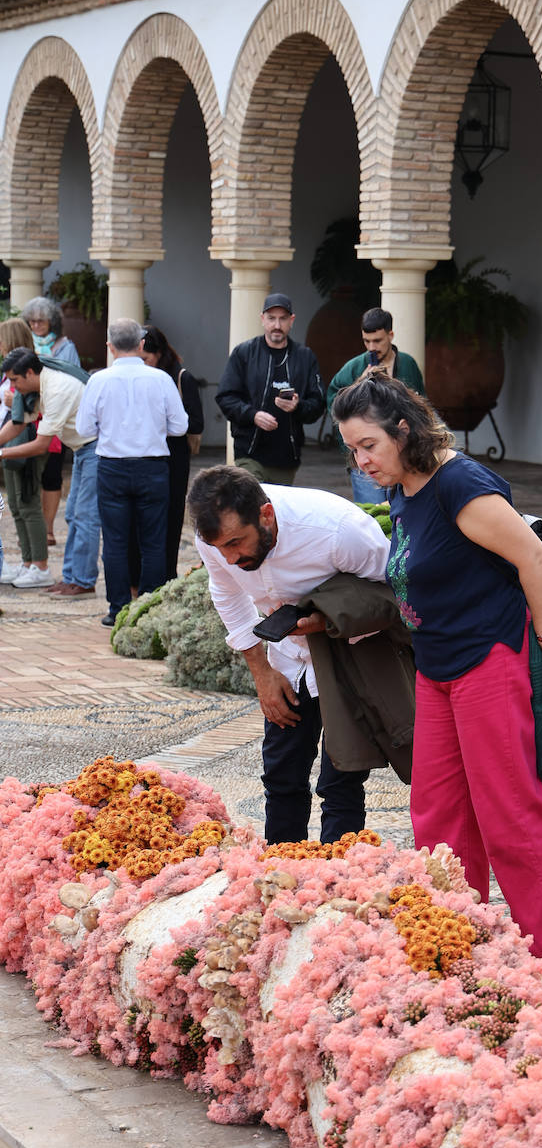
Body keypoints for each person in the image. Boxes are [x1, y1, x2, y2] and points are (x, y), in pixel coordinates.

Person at [332, 373, 542, 1001]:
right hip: (438, 668)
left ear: (404, 430)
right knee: (438, 816)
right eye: (352, 449)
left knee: (511, 816)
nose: (361, 461)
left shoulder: (459, 483)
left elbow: (532, 557)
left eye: (368, 444)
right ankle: (453, 948)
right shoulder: (404, 485)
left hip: (489, 662)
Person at [187, 464, 389, 845]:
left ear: (266, 515)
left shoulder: (338, 529)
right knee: (281, 775)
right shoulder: (213, 536)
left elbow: (391, 595)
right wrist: (262, 673)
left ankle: (339, 884)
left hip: (352, 655)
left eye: (235, 543)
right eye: (218, 548)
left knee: (341, 779)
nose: (229, 558)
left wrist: (326, 622)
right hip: (286, 659)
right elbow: (227, 594)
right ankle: (280, 879)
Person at [75, 318, 188, 626]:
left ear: (110, 347)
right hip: (152, 466)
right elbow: (180, 426)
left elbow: (84, 428)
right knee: (153, 540)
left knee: (114, 541)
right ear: (141, 345)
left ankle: (118, 608)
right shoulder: (161, 379)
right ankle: (149, 608)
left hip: (112, 466)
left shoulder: (98, 381)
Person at [0, 345, 97, 597]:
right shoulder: (38, 385)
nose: (12, 386)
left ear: (30, 372)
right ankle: (71, 578)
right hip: (82, 448)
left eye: (14, 380)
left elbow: (41, 444)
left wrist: (2, 453)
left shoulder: (57, 389)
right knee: (74, 515)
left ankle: (83, 581)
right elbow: (18, 424)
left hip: (95, 449)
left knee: (84, 517)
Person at [216, 294, 324, 485]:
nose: (277, 325)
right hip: (249, 451)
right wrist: (253, 415)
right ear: (262, 319)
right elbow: (225, 396)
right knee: (254, 505)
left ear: (292, 320)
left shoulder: (305, 357)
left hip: (286, 456)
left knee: (276, 511)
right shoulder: (244, 353)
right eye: (271, 318)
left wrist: (297, 407)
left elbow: (318, 403)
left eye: (282, 319)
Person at [326, 307, 425, 503]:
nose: (371, 347)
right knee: (373, 515)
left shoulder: (407, 363)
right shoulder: (354, 367)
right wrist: (358, 386)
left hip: (405, 456)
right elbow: (334, 402)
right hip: (366, 458)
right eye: (366, 341)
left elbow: (421, 406)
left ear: (391, 335)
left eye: (377, 341)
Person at [140, 323, 205, 582]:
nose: (142, 365)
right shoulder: (141, 379)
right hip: (147, 456)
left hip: (174, 457)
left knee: (170, 515)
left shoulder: (180, 377)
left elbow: (197, 423)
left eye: (146, 359)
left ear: (159, 354)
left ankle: (167, 574)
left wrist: (163, 422)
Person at [22, 296, 82, 545]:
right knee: (28, 473)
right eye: (32, 321)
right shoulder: (25, 345)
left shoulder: (66, 346)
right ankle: (32, 528)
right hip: (29, 418)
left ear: (52, 322)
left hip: (53, 417)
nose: (36, 326)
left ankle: (47, 528)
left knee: (51, 474)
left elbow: (73, 376)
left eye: (41, 321)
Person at [0, 318, 53, 586]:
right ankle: (27, 560)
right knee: (16, 504)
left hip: (28, 438)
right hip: (9, 438)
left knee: (28, 501)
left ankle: (40, 565)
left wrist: (13, 400)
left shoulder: (35, 370)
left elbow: (37, 409)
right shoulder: (9, 372)